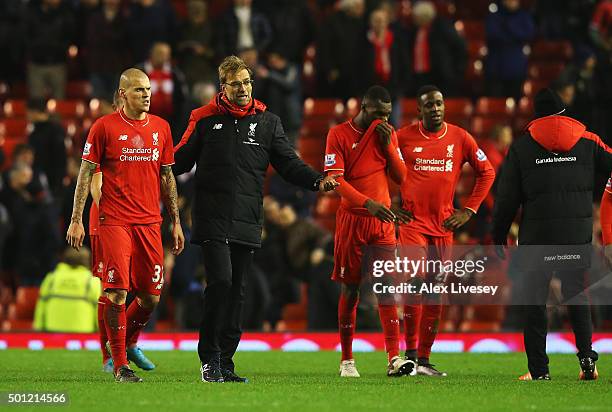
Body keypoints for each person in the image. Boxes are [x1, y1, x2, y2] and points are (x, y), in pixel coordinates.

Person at [173, 55, 339, 383]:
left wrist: (318, 181)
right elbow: (178, 161)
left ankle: (226, 361)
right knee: (220, 281)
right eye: (236, 83)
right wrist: (146, 162)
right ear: (223, 87)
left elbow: (289, 163)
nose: (243, 88)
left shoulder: (267, 122)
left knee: (238, 290)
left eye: (247, 82)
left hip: (248, 219)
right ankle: (209, 358)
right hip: (212, 216)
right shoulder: (203, 118)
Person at [66, 68, 185, 383]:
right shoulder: (104, 128)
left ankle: (126, 342)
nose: (146, 95)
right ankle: (119, 365)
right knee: (116, 292)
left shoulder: (161, 128)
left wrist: (176, 222)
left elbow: (167, 177)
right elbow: (86, 173)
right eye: (138, 90)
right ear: (122, 94)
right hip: (114, 220)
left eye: (147, 89)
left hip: (149, 223)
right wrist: (77, 218)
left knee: (151, 298)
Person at [493, 88, 611, 381]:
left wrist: (498, 234)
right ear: (563, 111)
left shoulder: (521, 148)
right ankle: (587, 363)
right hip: (576, 236)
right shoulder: (588, 141)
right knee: (577, 297)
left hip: (537, 238)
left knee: (535, 301)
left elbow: (507, 198)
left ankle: (539, 372)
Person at [394, 85, 495, 376]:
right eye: (429, 105)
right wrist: (388, 202)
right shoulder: (403, 137)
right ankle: (410, 353)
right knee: (415, 282)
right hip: (413, 223)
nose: (435, 109)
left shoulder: (460, 137)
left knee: (435, 289)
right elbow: (379, 164)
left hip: (443, 224)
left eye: (439, 104)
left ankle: (424, 360)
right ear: (419, 110)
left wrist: (469, 210)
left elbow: (487, 172)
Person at [324, 85, 414, 378]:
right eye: (378, 114)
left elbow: (402, 177)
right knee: (350, 288)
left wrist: (389, 145)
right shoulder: (338, 134)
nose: (383, 120)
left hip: (383, 221)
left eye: (387, 115)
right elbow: (335, 181)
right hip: (353, 220)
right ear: (363, 108)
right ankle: (347, 360)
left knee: (387, 286)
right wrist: (368, 204)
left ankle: (394, 358)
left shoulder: (388, 134)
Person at [34, 248, 100, 333]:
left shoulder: (51, 278)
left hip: (52, 334)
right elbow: (99, 312)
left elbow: (41, 307)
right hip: (83, 336)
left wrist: (38, 331)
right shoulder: (92, 281)